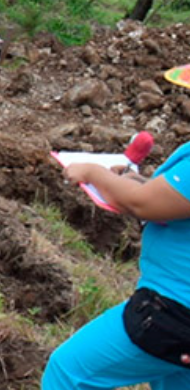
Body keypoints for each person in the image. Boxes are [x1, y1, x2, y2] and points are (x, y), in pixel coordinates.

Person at [42, 140, 190, 389]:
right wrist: (136, 182)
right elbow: (174, 197)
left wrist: (93, 173)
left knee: (68, 372)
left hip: (173, 310)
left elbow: (142, 202)